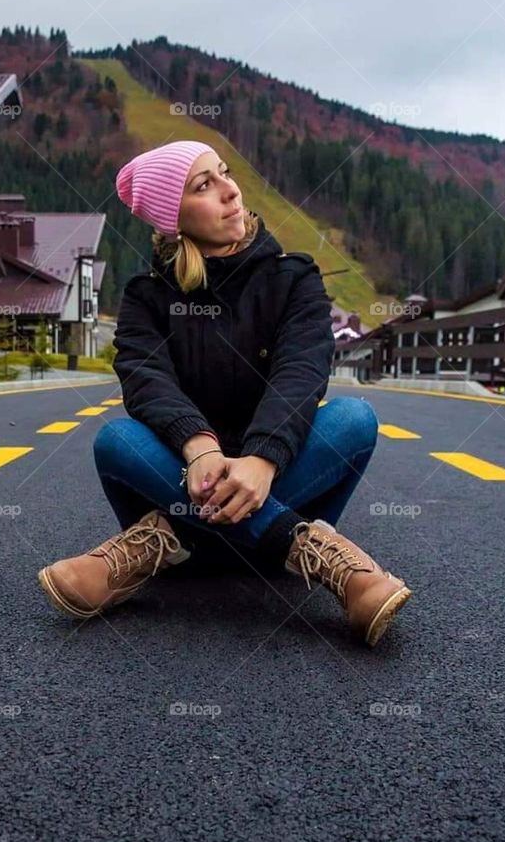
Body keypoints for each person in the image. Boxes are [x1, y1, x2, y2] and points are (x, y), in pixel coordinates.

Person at [36, 141, 413, 647]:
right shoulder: (147, 297)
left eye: (224, 173)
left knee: (352, 419)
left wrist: (262, 459)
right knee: (118, 440)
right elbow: (146, 378)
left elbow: (301, 370)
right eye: (204, 185)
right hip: (188, 478)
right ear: (174, 218)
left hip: (271, 479)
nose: (231, 191)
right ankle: (307, 548)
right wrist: (201, 448)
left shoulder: (293, 277)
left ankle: (162, 542)